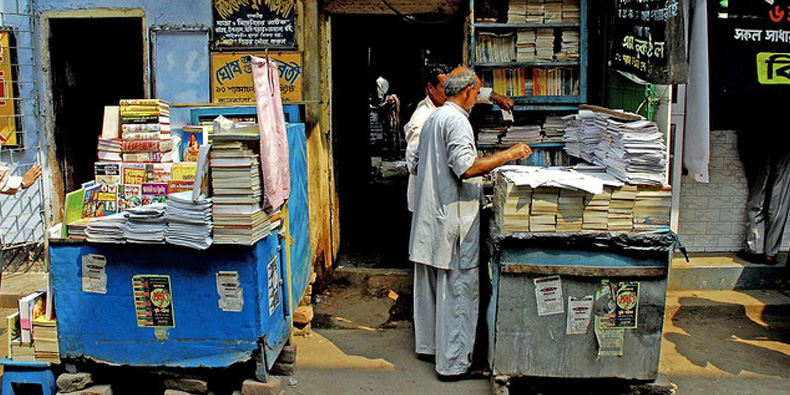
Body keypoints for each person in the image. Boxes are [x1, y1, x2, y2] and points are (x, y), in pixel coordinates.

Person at [409, 66, 531, 378]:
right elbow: (465, 168)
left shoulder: (434, 116)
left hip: (436, 216)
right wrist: (510, 153)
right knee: (458, 293)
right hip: (454, 221)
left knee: (436, 292)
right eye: (476, 93)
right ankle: (453, 365)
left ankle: (433, 350)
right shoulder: (456, 121)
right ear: (467, 92)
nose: (477, 98)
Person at [403, 65, 515, 212]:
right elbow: (414, 164)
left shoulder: (448, 110)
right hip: (433, 200)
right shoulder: (423, 118)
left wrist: (495, 96)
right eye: (445, 87)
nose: (451, 91)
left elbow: (472, 92)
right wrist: (457, 166)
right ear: (431, 88)